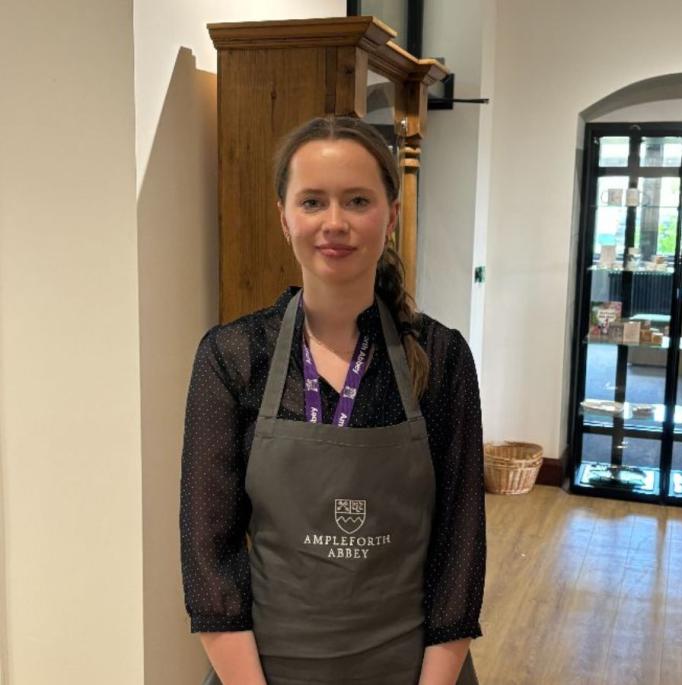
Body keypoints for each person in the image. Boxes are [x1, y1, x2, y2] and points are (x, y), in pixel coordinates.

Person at [180, 115, 486, 685]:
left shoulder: (442, 359)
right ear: (284, 217)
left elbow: (459, 549)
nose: (335, 223)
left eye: (358, 200)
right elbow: (209, 560)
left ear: (390, 216)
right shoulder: (232, 357)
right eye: (314, 202)